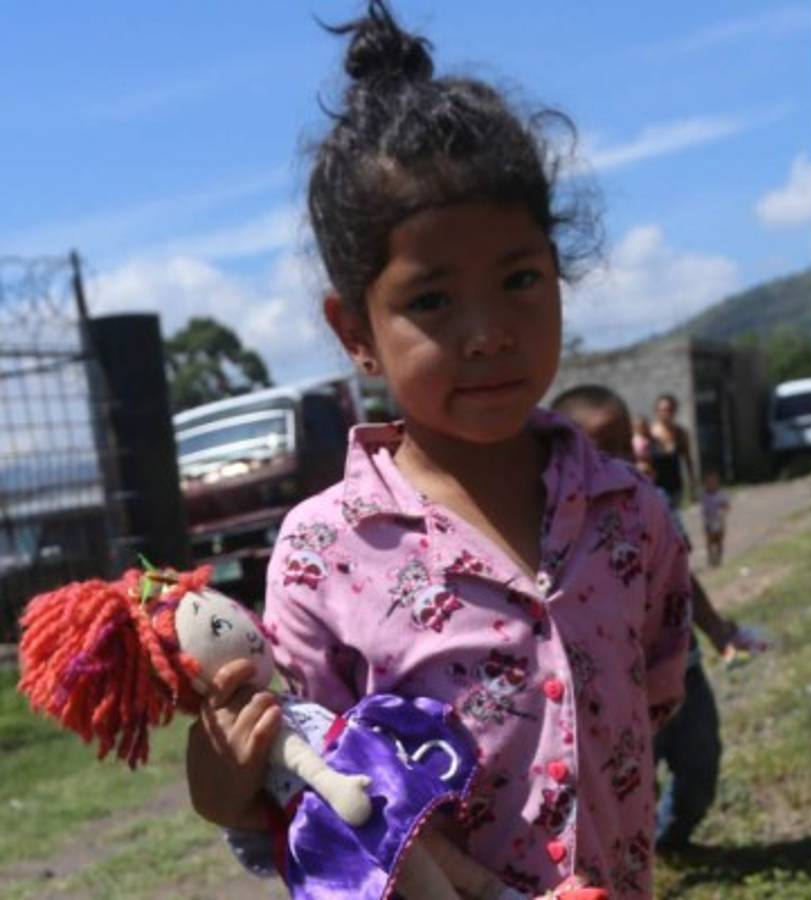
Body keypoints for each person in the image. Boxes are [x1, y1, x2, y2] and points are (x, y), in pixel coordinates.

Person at [184, 6, 692, 897]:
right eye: (432, 301)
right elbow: (299, 794)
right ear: (356, 331)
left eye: (520, 280)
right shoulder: (322, 553)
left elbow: (651, 705)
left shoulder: (631, 515)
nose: (488, 332)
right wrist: (227, 769)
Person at [549, 384, 763, 853]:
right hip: (619, 700)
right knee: (632, 790)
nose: (622, 459)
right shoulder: (556, 536)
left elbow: (683, 577)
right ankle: (644, 853)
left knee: (701, 766)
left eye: (628, 445)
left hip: (684, 676)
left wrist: (718, 630)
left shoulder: (652, 505)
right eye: (605, 450)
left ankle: (674, 837)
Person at [650, 393, 696, 508]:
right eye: (661, 410)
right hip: (655, 487)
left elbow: (688, 459)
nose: (665, 413)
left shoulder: (680, 433)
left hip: (675, 487)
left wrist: (692, 485)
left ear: (674, 411)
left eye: (668, 410)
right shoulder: (650, 433)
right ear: (656, 411)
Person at [700, 471, 730, 568]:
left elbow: (727, 506)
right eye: (708, 482)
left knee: (719, 541)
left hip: (719, 521)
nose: (711, 484)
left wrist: (722, 510)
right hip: (709, 522)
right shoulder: (705, 495)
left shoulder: (721, 494)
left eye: (713, 482)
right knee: (709, 542)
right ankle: (711, 559)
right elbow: (703, 509)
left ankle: (718, 559)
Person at [631, 415, 655, 479]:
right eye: (639, 427)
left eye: (644, 426)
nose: (642, 428)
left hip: (649, 467)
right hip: (638, 467)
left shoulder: (649, 439)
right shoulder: (633, 440)